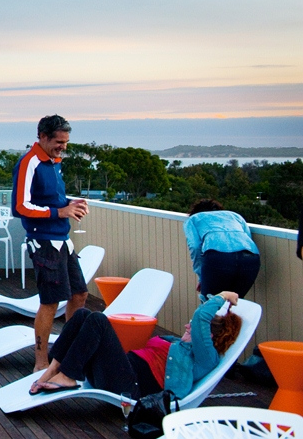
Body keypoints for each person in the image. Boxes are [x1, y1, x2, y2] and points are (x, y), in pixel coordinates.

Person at [29, 291, 242, 400]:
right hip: (114, 373)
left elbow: (202, 316)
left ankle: (67, 376)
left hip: (131, 388)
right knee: (82, 314)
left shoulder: (206, 357)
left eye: (192, 326)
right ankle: (53, 370)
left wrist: (224, 296)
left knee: (98, 320)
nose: (187, 326)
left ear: (208, 336)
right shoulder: (175, 343)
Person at [12, 114, 89, 372]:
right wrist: (60, 212)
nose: (63, 147)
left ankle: (66, 352)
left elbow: (51, 199)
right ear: (43, 137)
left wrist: (69, 204)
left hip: (63, 239)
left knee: (79, 294)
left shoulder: (54, 162)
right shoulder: (29, 163)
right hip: (43, 241)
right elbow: (20, 207)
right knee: (50, 302)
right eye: (59, 142)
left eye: (66, 142)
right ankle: (41, 362)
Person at [184, 199, 260, 301]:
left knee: (210, 304)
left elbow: (195, 247)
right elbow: (248, 237)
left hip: (218, 258)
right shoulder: (235, 216)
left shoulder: (193, 219)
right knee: (236, 302)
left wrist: (202, 276)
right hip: (250, 258)